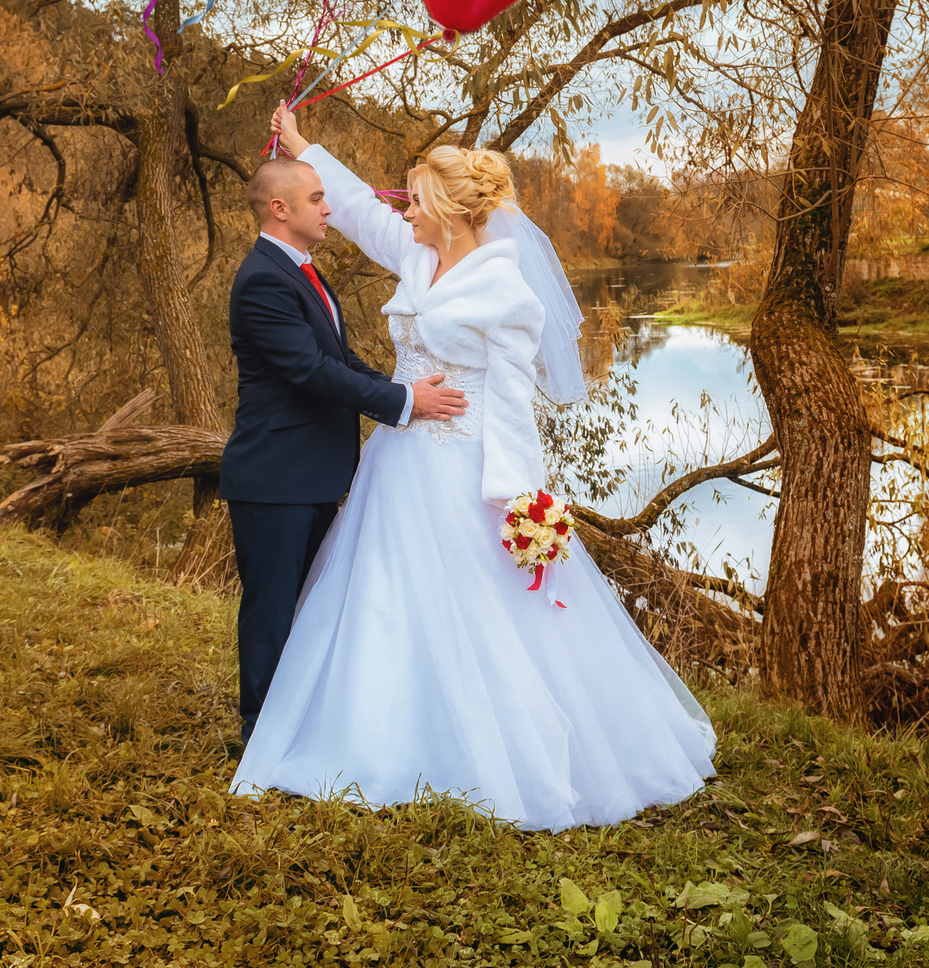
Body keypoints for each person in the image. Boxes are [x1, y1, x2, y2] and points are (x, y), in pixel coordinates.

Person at [230, 104, 716, 830]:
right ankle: (367, 727)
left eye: (416, 200)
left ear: (449, 211)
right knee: (382, 601)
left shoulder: (506, 289)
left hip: (463, 466)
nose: (405, 210)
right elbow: (362, 212)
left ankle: (485, 743)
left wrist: (517, 497)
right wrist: (307, 147)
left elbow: (512, 404)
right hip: (396, 462)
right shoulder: (420, 254)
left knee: (479, 609)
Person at [222, 151, 470, 746]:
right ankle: (260, 732)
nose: (328, 207)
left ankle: (299, 721)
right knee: (272, 610)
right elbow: (309, 372)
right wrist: (404, 403)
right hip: (274, 476)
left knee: (308, 608)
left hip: (314, 472)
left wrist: (397, 390)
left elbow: (339, 359)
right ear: (280, 209)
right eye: (315, 199)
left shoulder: (303, 270)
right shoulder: (261, 279)